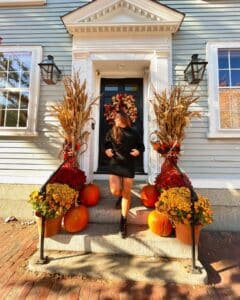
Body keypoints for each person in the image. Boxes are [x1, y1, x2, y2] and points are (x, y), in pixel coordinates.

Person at [104, 111, 145, 238]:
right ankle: (120, 197)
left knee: (126, 193)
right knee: (115, 190)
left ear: (123, 119)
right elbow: (105, 144)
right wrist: (107, 150)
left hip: (128, 165)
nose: (115, 120)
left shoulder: (134, 132)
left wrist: (138, 151)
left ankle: (123, 221)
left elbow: (141, 146)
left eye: (117, 118)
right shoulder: (112, 131)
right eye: (115, 118)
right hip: (115, 164)